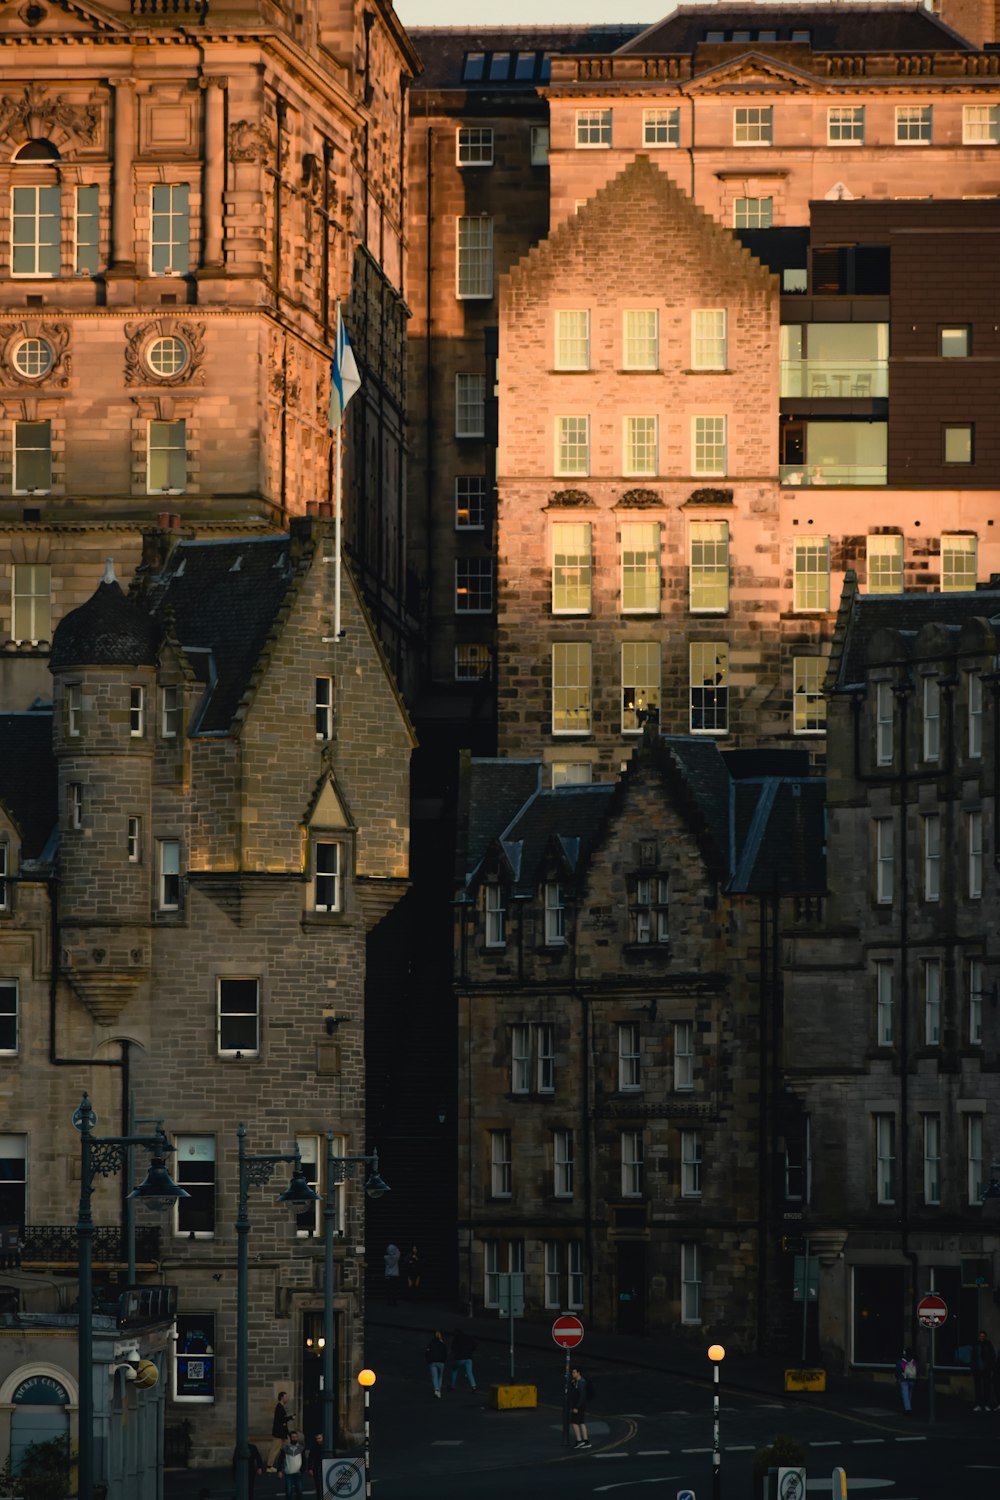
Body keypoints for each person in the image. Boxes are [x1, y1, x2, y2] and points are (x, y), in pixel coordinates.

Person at [971, 1329, 997, 1411]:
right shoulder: (975, 1344)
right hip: (977, 1369)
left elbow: (992, 1356)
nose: (981, 1337)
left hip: (986, 1369)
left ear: (985, 1337)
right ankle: (978, 1404)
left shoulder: (988, 1344)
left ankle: (986, 1405)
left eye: (983, 1336)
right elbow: (973, 1357)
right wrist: (973, 1367)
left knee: (986, 1388)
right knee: (978, 1388)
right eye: (980, 1336)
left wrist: (991, 1367)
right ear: (978, 1336)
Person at [267, 1391, 293, 1471]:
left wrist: (289, 1418)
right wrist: (290, 1418)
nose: (287, 1398)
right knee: (275, 1450)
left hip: (282, 1433)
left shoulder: (280, 1407)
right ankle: (269, 1466)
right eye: (286, 1397)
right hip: (279, 1433)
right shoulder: (279, 1407)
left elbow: (282, 1420)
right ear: (282, 1397)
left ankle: (289, 1464)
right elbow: (281, 1421)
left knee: (288, 1447)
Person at [569, 1366, 592, 1448]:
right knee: (581, 1423)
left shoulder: (581, 1383)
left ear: (578, 1373)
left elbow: (582, 1396)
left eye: (574, 1372)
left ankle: (579, 1441)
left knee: (574, 1423)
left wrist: (576, 1407)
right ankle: (586, 1441)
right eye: (572, 1372)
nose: (572, 1374)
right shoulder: (577, 1381)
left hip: (579, 1406)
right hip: (581, 1405)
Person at [449, 1326, 477, 1391]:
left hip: (460, 1358)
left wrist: (456, 1353)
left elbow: (453, 1348)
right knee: (469, 1372)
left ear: (456, 1333)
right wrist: (470, 1351)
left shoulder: (456, 1338)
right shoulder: (468, 1337)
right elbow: (475, 1345)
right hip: (469, 1358)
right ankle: (474, 1386)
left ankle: (452, 1385)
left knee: (454, 1369)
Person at [281, 1429, 307, 1499]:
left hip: (298, 1472)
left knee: (299, 1490)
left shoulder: (301, 1448)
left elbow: (304, 1459)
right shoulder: (285, 1448)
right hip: (288, 1471)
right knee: (288, 1491)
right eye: (293, 1437)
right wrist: (279, 1470)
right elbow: (281, 1460)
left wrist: (303, 1469)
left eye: (295, 1437)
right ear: (290, 1438)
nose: (294, 1438)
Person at [424, 1329, 448, 1398]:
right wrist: (443, 1360)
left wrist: (428, 1360)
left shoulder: (431, 1343)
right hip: (441, 1362)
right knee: (440, 1377)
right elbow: (445, 1354)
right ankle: (439, 1391)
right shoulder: (443, 1344)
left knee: (434, 1377)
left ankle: (436, 1389)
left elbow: (427, 1353)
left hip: (433, 1362)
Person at [896, 1347, 917, 1412]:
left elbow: (898, 1371)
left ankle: (907, 1409)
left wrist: (897, 1378)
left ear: (904, 1353)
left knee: (905, 1393)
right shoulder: (914, 1362)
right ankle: (908, 1406)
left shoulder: (901, 1362)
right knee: (909, 1393)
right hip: (912, 1379)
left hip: (904, 1379)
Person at [307, 1431, 325, 1496]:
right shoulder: (314, 1447)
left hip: (325, 1466)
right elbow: (310, 1458)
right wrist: (310, 1469)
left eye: (319, 1438)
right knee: (318, 1486)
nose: (318, 1440)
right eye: (316, 1439)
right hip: (317, 1468)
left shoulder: (327, 1445)